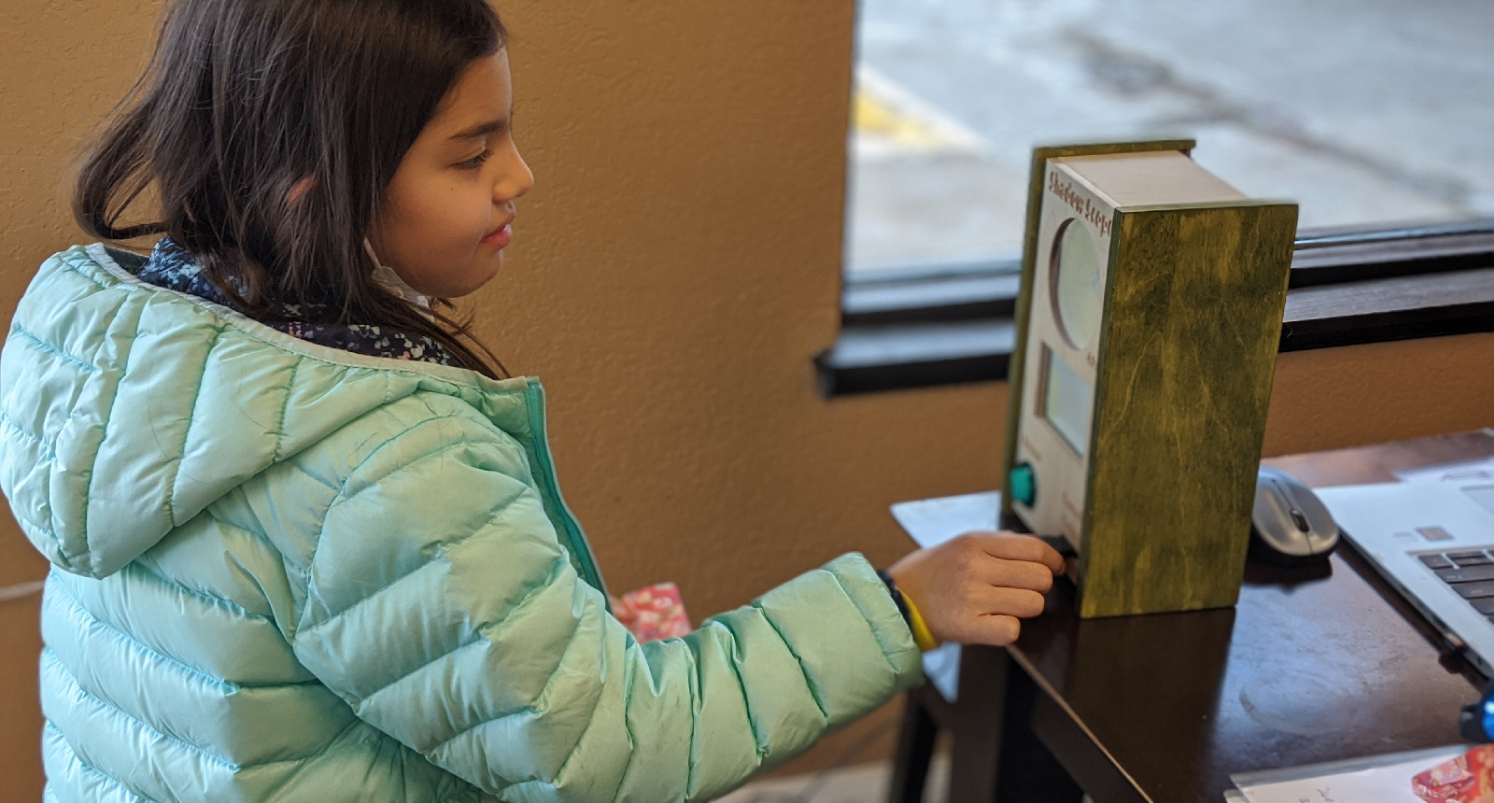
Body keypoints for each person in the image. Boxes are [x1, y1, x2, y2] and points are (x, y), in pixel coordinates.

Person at [0, 1, 1065, 800]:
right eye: (472, 153)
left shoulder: (118, 339)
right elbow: (610, 747)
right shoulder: (385, 461)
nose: (520, 176)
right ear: (313, 189)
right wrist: (902, 605)